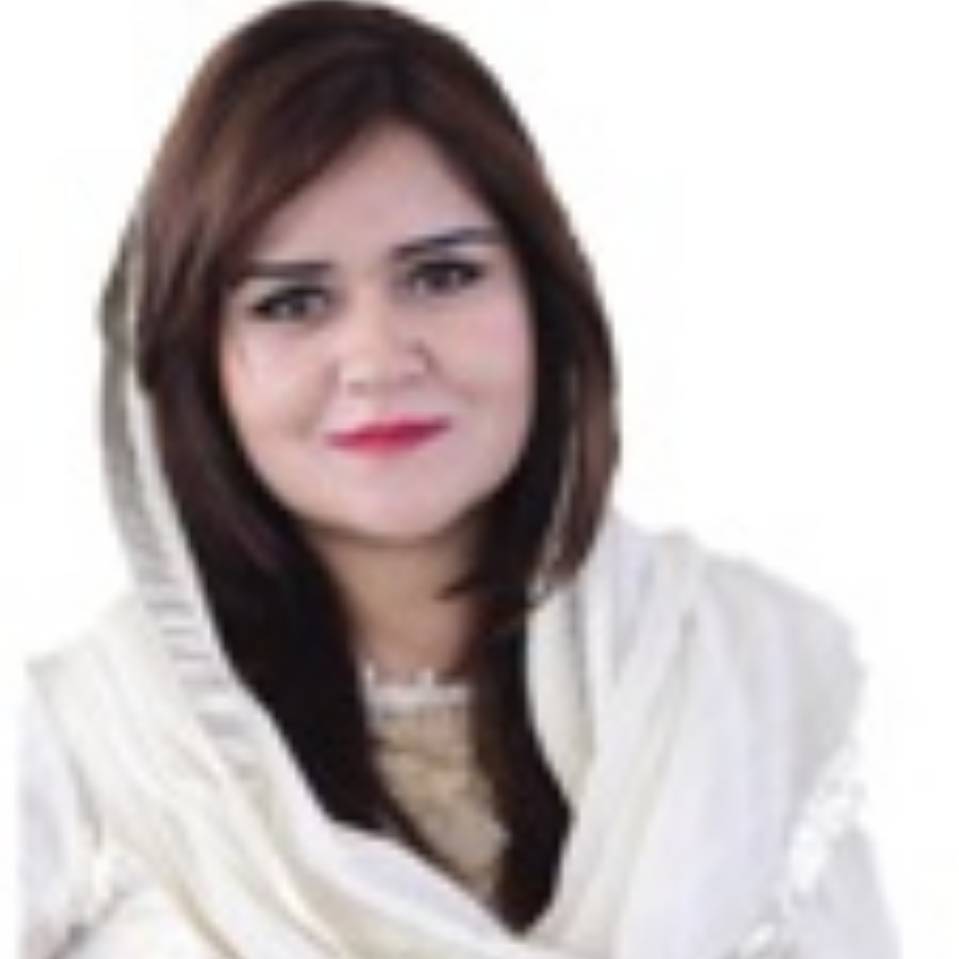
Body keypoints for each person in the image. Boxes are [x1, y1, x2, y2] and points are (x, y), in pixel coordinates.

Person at [20, 1, 900, 956]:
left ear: (544, 300)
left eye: (440, 277)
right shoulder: (93, 750)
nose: (376, 358)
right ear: (194, 363)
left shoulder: (736, 680)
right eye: (293, 301)